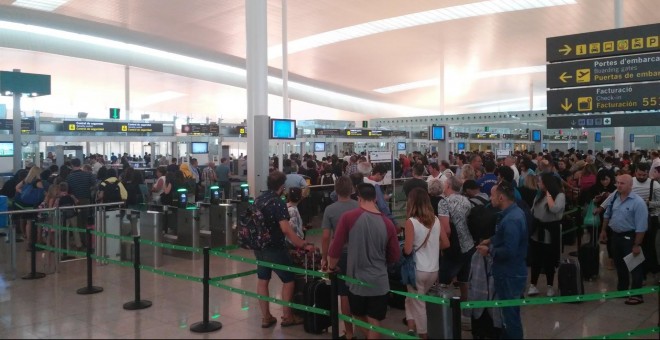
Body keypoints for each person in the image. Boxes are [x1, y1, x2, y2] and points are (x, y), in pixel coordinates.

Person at [328, 183, 400, 340]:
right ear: (375, 199)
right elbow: (394, 255)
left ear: (358, 198)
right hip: (380, 281)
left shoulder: (349, 218)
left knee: (357, 315)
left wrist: (331, 267)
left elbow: (336, 247)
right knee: (375, 320)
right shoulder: (388, 224)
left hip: (357, 281)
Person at [254, 171, 314, 328]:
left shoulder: (259, 199)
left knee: (262, 281)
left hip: (259, 247)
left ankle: (266, 317)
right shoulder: (277, 202)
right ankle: (288, 316)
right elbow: (286, 229)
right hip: (275, 247)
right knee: (289, 280)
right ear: (282, 186)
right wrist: (302, 244)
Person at [476, 182, 528, 339]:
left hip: (509, 275)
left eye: (492, 195)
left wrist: (489, 250)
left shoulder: (511, 219)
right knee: (507, 316)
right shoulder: (513, 214)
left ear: (501, 197)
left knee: (510, 318)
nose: (490, 198)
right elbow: (505, 238)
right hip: (509, 272)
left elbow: (510, 250)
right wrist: (490, 240)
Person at [403, 188, 449, 338]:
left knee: (419, 303)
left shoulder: (411, 222)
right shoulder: (435, 220)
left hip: (417, 270)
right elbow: (446, 243)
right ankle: (411, 328)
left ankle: (423, 334)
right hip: (433, 269)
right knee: (411, 298)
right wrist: (434, 248)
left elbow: (408, 250)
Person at [320, 176, 359, 340]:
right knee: (359, 290)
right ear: (352, 189)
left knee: (344, 293)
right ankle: (363, 328)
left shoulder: (330, 210)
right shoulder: (359, 206)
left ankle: (349, 332)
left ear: (335, 191)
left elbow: (325, 237)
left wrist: (324, 258)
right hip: (359, 253)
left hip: (341, 255)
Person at [599, 174, 648, 305]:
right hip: (615, 236)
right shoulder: (615, 197)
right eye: (618, 183)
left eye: (622, 183)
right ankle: (622, 290)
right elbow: (607, 214)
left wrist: (637, 244)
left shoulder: (638, 202)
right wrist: (603, 230)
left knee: (634, 266)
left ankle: (637, 295)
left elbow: (641, 226)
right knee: (620, 265)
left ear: (630, 185)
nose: (619, 185)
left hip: (630, 237)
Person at [437, 176, 474, 314]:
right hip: (468, 244)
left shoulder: (444, 203)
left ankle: (446, 313)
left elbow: (446, 229)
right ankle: (466, 311)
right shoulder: (466, 200)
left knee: (444, 280)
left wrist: (441, 247)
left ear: (448, 186)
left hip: (454, 246)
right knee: (464, 279)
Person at [528, 173, 566, 297]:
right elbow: (532, 210)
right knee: (536, 259)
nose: (538, 184)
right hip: (537, 230)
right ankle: (533, 284)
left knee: (549, 259)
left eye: (540, 182)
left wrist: (549, 194)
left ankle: (550, 286)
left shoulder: (559, 195)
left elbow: (554, 209)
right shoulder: (539, 194)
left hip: (551, 230)